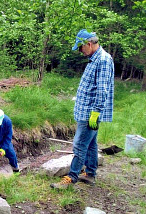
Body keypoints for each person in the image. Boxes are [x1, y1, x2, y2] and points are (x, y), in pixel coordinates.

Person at [51, 29, 114, 189]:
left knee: (79, 144)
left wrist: (95, 113)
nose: (80, 51)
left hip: (90, 113)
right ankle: (91, 173)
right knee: (91, 144)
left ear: (89, 44)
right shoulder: (94, 59)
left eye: (81, 48)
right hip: (85, 112)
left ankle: (71, 178)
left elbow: (102, 90)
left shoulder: (103, 60)